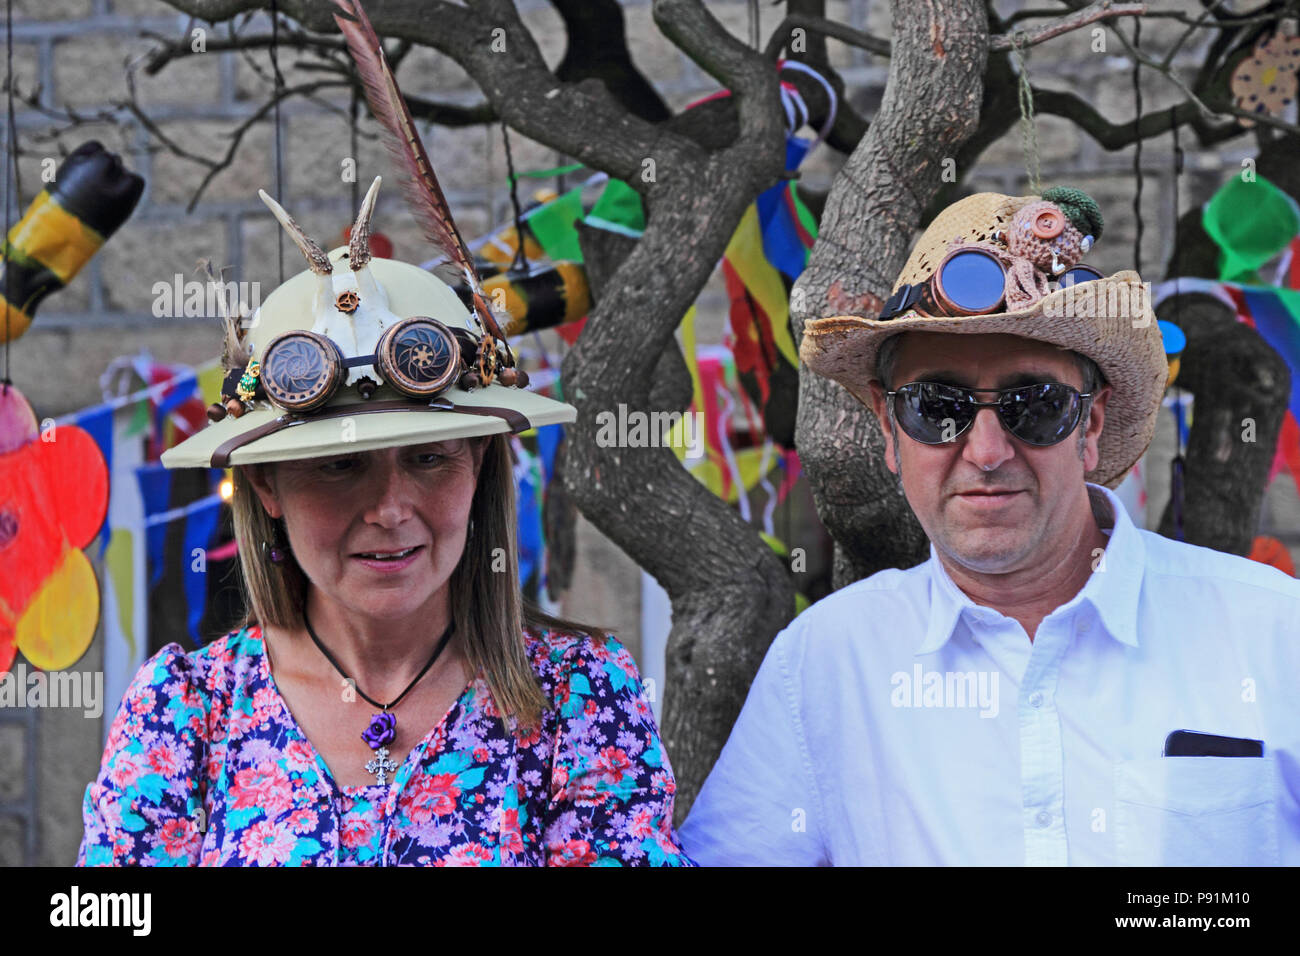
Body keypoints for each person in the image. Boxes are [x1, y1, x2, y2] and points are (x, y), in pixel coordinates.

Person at [77, 179, 693, 867]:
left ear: (481, 464)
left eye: (429, 458)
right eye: (340, 466)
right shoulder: (186, 711)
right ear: (265, 484)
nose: (391, 508)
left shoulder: (580, 696)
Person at [680, 188, 1300, 866]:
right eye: (936, 408)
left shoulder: (1273, 634)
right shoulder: (825, 663)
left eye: (1034, 406)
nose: (985, 452)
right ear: (891, 435)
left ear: (1088, 429)